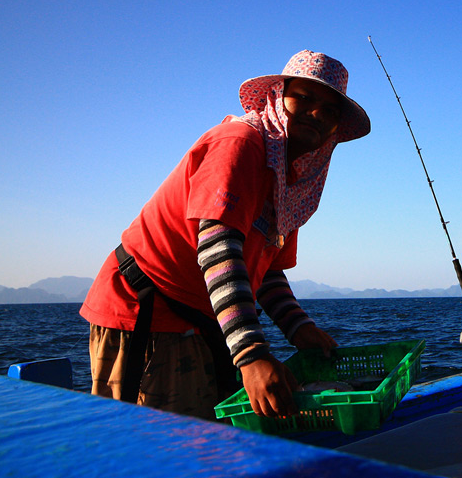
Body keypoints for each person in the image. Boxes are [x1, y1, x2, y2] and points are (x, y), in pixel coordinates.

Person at [80, 50, 370, 420]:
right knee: (162, 452)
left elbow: (264, 272)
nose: (317, 113)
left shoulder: (293, 184)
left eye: (330, 110)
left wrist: (299, 328)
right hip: (147, 314)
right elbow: (219, 248)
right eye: (305, 97)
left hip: (202, 322)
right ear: (277, 98)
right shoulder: (240, 143)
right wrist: (251, 355)